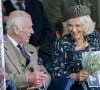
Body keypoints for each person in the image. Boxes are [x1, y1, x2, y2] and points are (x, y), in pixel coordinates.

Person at [48, 5, 100, 90]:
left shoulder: (93, 37)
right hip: (78, 87)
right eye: (70, 25)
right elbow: (55, 72)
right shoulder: (62, 43)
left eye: (77, 25)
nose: (73, 30)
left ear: (86, 25)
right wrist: (75, 76)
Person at [4, 10, 51, 90]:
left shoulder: (31, 48)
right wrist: (27, 79)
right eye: (29, 27)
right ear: (16, 29)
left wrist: (41, 84)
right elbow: (1, 79)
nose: (32, 32)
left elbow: (45, 74)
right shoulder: (1, 47)